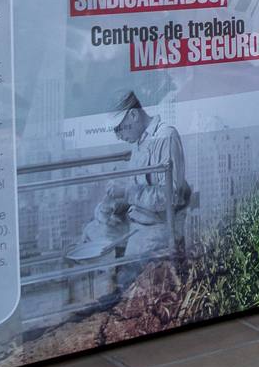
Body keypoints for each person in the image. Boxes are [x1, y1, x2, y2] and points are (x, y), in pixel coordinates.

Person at [68, 90, 194, 293]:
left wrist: (127, 193)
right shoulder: (139, 143)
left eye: (119, 128)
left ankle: (113, 297)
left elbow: (170, 197)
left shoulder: (165, 137)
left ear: (134, 115)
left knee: (127, 274)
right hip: (135, 220)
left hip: (158, 225)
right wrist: (115, 206)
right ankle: (86, 296)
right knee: (91, 233)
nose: (118, 135)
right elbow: (136, 190)